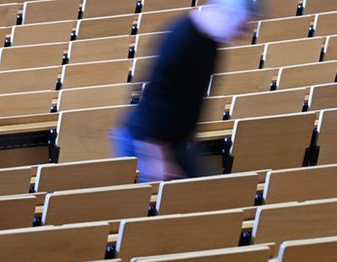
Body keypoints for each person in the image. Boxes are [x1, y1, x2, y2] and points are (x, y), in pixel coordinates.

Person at [111, 0, 262, 182]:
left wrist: (190, 135)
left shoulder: (211, 43)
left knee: (206, 194)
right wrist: (157, 157)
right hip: (148, 143)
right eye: (240, 28)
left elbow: (193, 96)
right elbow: (153, 101)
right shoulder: (181, 39)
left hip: (175, 142)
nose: (242, 36)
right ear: (223, 14)